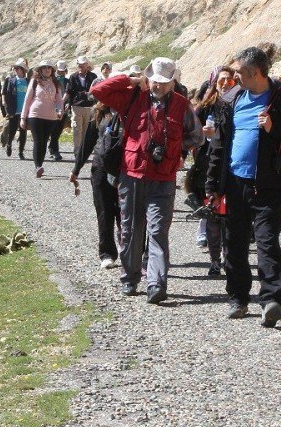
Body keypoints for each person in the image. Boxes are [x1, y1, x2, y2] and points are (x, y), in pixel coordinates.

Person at [205, 46, 281, 327]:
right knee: (236, 242)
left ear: (254, 72)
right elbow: (219, 144)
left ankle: (271, 299)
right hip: (235, 183)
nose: (235, 76)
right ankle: (238, 298)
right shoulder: (234, 99)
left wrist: (274, 128)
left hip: (270, 184)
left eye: (239, 71)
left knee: (266, 241)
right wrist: (213, 184)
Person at [92, 57, 203, 304]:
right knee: (131, 231)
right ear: (148, 78)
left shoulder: (182, 105)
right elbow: (97, 90)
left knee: (158, 231)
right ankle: (130, 278)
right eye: (155, 81)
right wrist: (131, 80)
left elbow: (196, 137)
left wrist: (175, 149)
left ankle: (156, 284)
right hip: (131, 176)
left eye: (165, 83)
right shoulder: (132, 98)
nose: (159, 87)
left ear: (173, 82)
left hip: (163, 179)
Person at [186, 66, 234, 277]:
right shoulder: (206, 107)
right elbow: (191, 133)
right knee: (214, 216)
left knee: (231, 218)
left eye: (230, 80)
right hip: (209, 166)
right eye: (222, 80)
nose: (225, 83)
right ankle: (215, 260)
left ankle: (229, 259)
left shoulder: (239, 104)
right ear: (215, 82)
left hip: (233, 167)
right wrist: (204, 135)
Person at [69, 101, 121, 269]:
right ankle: (107, 253)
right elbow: (88, 142)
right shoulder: (98, 112)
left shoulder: (132, 109)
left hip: (125, 169)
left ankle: (130, 249)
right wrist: (76, 169)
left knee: (124, 212)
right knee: (104, 210)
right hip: (100, 167)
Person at [20, 61, 64, 178]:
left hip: (51, 117)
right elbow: (27, 100)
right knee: (38, 141)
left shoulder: (56, 82)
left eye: (49, 68)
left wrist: (60, 111)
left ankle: (39, 165)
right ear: (40, 70)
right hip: (35, 115)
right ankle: (37, 166)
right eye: (44, 68)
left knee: (44, 142)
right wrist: (23, 117)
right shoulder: (34, 81)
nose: (47, 69)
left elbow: (59, 100)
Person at [66, 56, 99, 164]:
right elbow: (69, 92)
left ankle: (82, 153)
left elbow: (96, 90)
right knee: (76, 129)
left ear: (87, 65)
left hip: (89, 107)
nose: (81, 66)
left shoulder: (93, 76)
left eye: (83, 64)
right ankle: (77, 152)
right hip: (76, 106)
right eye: (79, 64)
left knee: (85, 131)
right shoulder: (73, 77)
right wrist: (64, 103)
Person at [1, 59, 30, 159]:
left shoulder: (28, 82)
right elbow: (4, 92)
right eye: (15, 68)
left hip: (25, 111)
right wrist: (4, 102)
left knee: (23, 132)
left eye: (17, 68)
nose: (15, 70)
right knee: (12, 130)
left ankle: (21, 151)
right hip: (14, 109)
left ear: (22, 70)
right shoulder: (10, 80)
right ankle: (9, 144)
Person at [49, 60, 70, 161]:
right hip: (52, 108)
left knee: (58, 130)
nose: (61, 72)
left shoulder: (67, 81)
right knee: (54, 130)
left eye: (63, 71)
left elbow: (70, 93)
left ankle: (52, 148)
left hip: (63, 109)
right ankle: (55, 151)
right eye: (59, 70)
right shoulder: (51, 80)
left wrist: (68, 103)